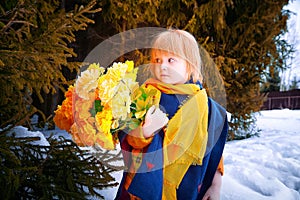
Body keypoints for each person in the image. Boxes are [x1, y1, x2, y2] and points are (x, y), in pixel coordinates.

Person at [115, 28, 228, 200]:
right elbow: (128, 139)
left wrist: (215, 185)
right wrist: (146, 131)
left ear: (190, 64)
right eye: (157, 60)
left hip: (187, 187)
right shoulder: (144, 96)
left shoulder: (207, 107)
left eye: (171, 60)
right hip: (140, 188)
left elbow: (214, 151)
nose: (163, 66)